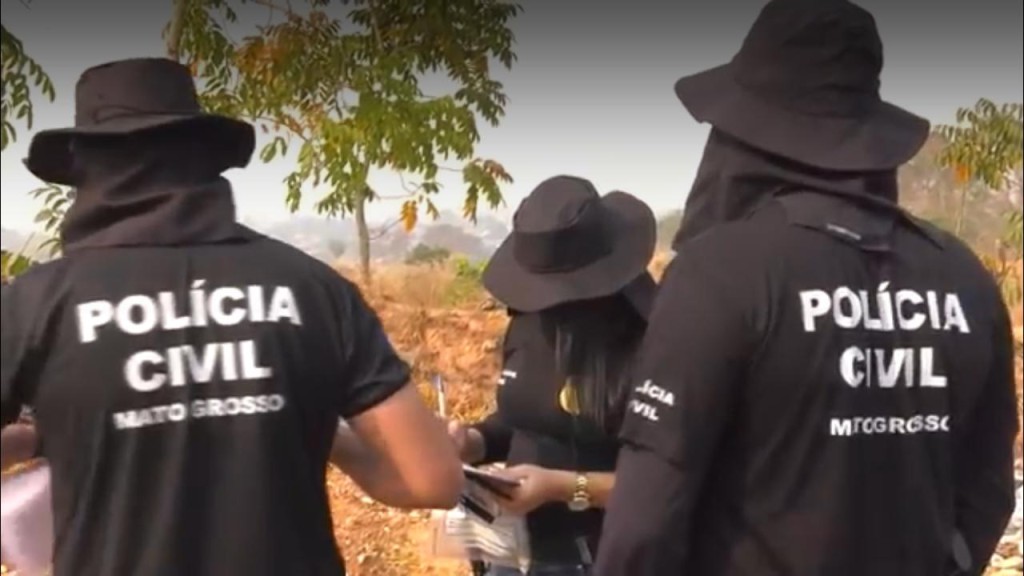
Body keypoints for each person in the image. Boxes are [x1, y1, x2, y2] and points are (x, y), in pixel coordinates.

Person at [594, 1, 1019, 575]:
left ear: (743, 133)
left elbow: (644, 522)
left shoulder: (718, 274)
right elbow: (989, 488)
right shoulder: (963, 276)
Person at [0, 58, 463, 576]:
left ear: (85, 170)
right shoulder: (314, 288)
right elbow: (431, 480)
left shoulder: (33, 305)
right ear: (204, 157)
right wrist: (316, 425)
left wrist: (33, 439)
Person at [447, 176, 658, 575]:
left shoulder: (652, 343)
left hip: (604, 555)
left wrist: (562, 487)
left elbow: (663, 483)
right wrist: (470, 443)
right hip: (513, 551)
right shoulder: (529, 325)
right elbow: (520, 421)